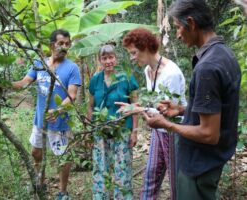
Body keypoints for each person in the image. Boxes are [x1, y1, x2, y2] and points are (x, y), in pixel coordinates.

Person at [139, 1, 241, 199]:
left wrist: (167, 125)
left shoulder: (207, 68)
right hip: (211, 160)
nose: (177, 34)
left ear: (191, 23)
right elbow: (217, 109)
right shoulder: (224, 54)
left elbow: (209, 133)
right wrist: (181, 110)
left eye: (178, 27)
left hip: (199, 164)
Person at [12, 29, 81, 200]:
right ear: (52, 45)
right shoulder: (39, 63)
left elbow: (71, 96)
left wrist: (58, 110)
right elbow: (24, 82)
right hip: (40, 121)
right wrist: (7, 84)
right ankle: (40, 182)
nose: (64, 47)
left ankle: (63, 192)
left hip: (60, 123)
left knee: (62, 158)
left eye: (67, 43)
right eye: (61, 43)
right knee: (36, 152)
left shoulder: (72, 68)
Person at [119, 28, 186, 200]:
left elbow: (168, 112)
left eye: (134, 53)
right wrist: (134, 107)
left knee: (175, 181)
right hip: (158, 130)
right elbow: (153, 103)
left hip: (174, 131)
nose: (132, 58)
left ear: (146, 47)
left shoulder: (171, 72)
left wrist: (137, 109)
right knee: (151, 176)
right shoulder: (148, 71)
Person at [87, 44, 139, 199]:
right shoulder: (95, 80)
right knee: (100, 167)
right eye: (104, 58)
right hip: (100, 131)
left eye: (111, 57)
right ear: (100, 60)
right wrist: (89, 132)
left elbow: (135, 106)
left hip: (122, 130)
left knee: (122, 168)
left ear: (116, 59)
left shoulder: (126, 78)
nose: (108, 61)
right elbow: (90, 107)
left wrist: (134, 132)